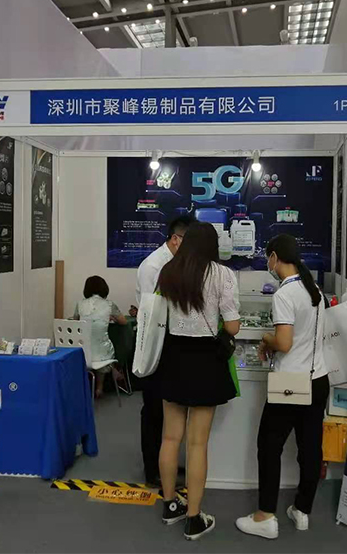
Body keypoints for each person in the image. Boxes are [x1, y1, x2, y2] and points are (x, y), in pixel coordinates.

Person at [236, 234, 329, 540]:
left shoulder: (285, 294)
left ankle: (265, 516)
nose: (268, 263)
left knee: (269, 446)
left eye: (268, 258)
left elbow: (285, 343)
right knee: (310, 448)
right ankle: (302, 510)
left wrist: (266, 339)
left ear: (274, 257)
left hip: (290, 383)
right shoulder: (315, 290)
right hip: (318, 380)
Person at [156, 222, 240, 540]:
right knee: (197, 443)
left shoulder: (169, 271)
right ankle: (193, 518)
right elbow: (232, 327)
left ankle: (170, 506)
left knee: (170, 438)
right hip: (205, 360)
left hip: (174, 356)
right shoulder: (221, 274)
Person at [135, 215, 194, 485]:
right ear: (175, 239)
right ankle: (152, 469)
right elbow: (153, 311)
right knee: (153, 410)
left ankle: (165, 462)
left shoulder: (174, 263)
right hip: (152, 342)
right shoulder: (153, 266)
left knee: (168, 408)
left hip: (169, 342)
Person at [74, 276, 127, 398]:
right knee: (104, 345)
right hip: (102, 353)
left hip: (82, 352)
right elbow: (123, 322)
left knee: (94, 345)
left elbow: (75, 321)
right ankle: (100, 387)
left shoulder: (80, 304)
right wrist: (111, 318)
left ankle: (85, 386)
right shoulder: (109, 305)